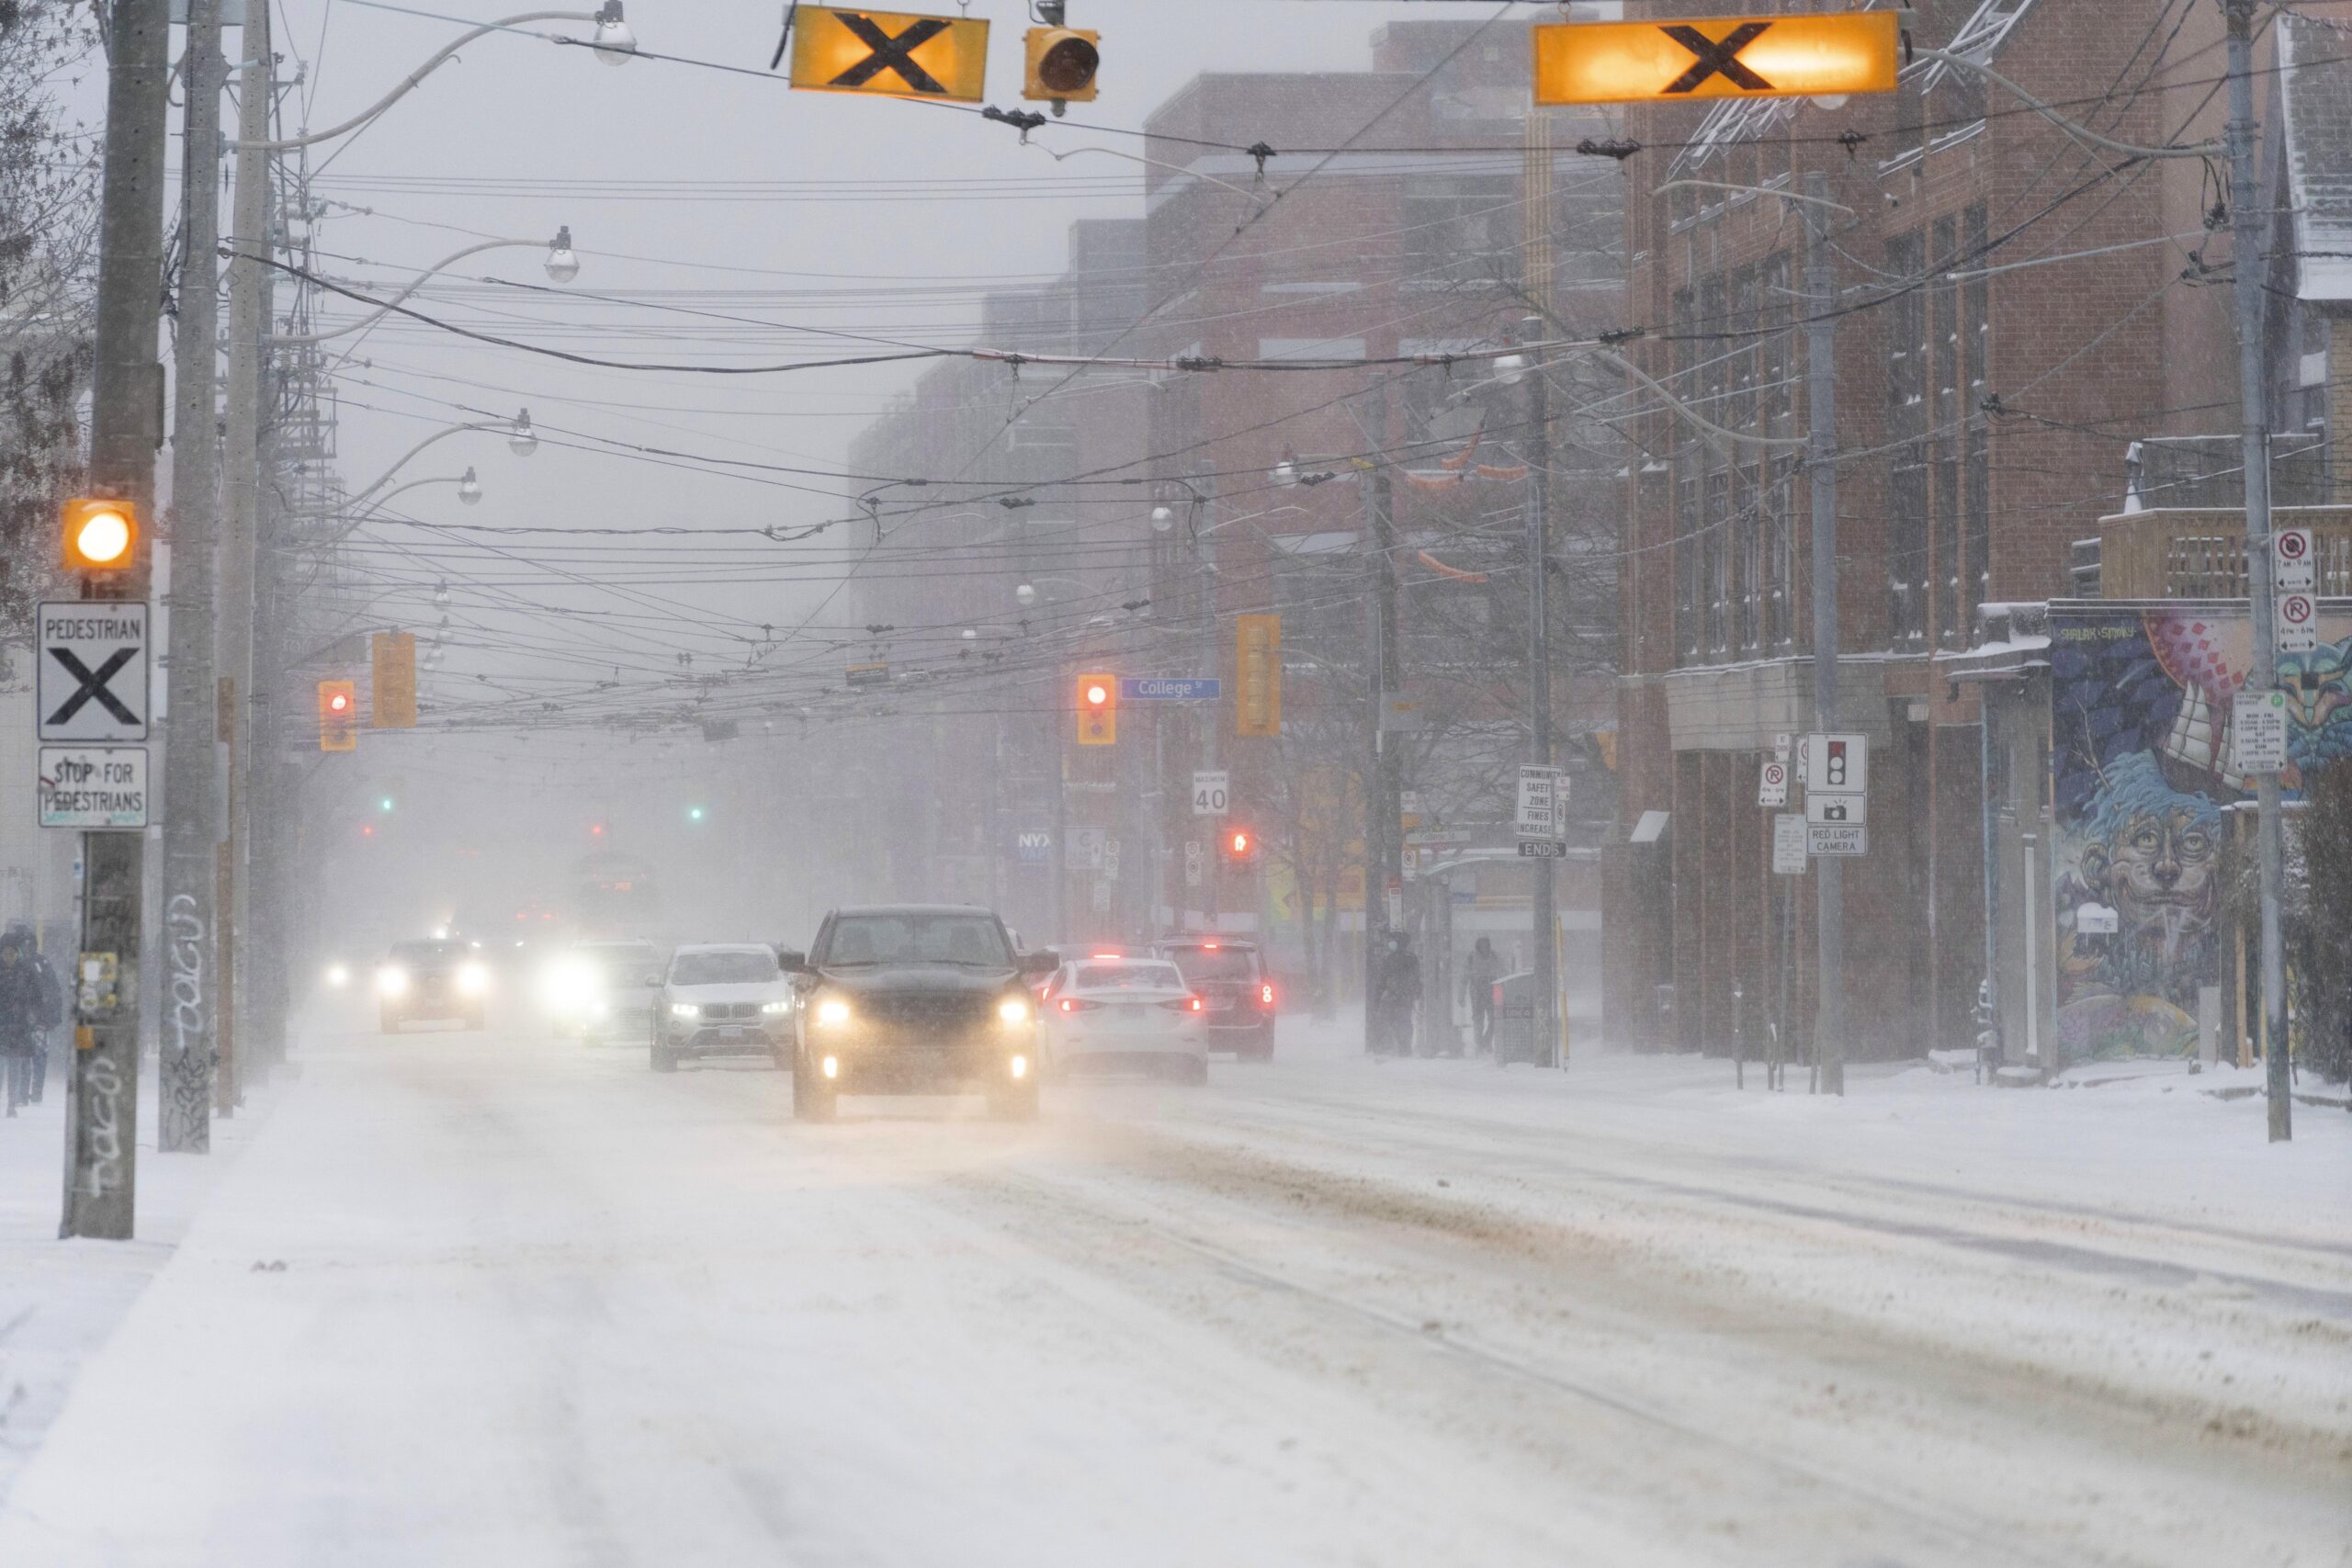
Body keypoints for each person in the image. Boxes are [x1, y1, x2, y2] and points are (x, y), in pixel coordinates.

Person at [8, 924, 62, 1104]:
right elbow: (54, 991)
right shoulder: (42, 963)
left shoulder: (18, 965)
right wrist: (52, 1017)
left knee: (23, 1056)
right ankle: (35, 1092)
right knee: (38, 1056)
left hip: (24, 1019)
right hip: (40, 1019)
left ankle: (23, 1094)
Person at [0, 932, 42, 1117]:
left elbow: (36, 998)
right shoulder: (25, 971)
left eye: (12, 953)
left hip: (19, 1026)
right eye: (5, 953)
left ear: (18, 953)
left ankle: (11, 1102)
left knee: (14, 1065)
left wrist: (30, 1015)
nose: (8, 957)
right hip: (5, 1024)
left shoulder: (27, 972)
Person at [1374, 931, 1421, 1058]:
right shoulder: (1411, 958)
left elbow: (1382, 979)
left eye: (1393, 941)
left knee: (1392, 1020)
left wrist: (1379, 994)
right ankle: (1404, 1047)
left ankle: (1396, 1046)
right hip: (1405, 995)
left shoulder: (1390, 958)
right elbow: (1416, 977)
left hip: (1393, 995)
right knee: (1404, 1021)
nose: (1390, 943)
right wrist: (1415, 991)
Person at [1460, 936, 1503, 1057]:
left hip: (1493, 990)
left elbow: (1504, 971)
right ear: (1478, 946)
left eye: (1486, 944)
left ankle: (1486, 1041)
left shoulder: (1495, 956)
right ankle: (1479, 1044)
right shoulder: (1471, 957)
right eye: (1482, 945)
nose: (1484, 947)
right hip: (1477, 992)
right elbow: (1464, 977)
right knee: (1478, 1020)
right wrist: (1461, 995)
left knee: (1495, 1019)